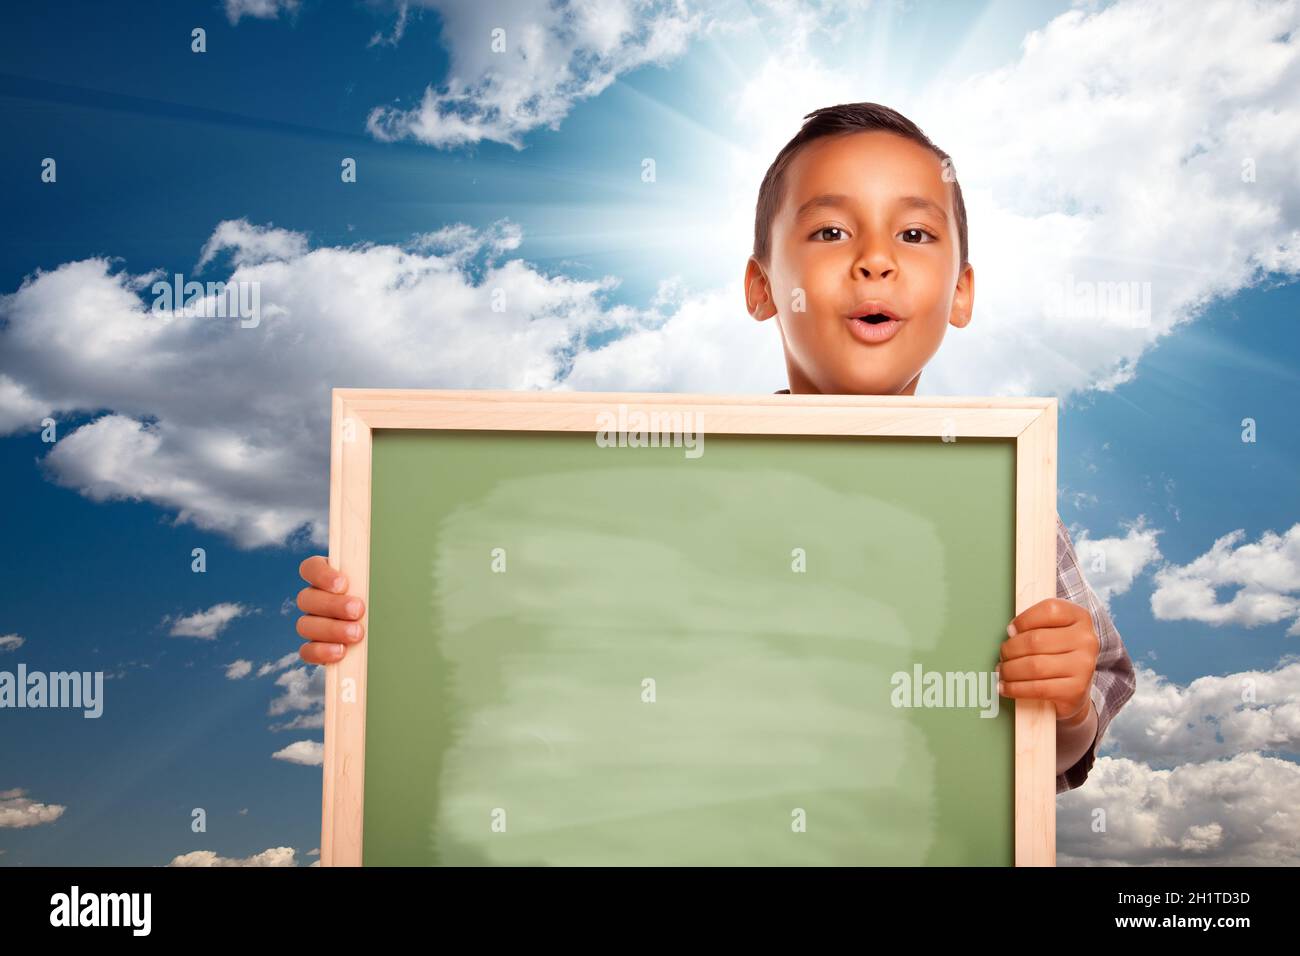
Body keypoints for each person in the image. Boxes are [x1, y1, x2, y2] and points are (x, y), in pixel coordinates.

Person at [296, 102, 1136, 794]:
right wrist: (377, 620)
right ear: (762, 286)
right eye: (831, 233)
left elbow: (1062, 746)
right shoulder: (668, 480)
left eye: (914, 237)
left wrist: (1065, 706)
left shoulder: (1011, 504)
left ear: (961, 293)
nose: (875, 262)